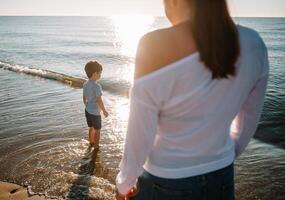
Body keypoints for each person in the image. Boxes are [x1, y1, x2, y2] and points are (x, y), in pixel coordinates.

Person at [115, 0, 269, 199]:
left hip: (165, 181)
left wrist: (124, 183)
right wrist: (224, 155)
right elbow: (248, 118)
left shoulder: (155, 44)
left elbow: (140, 131)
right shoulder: (254, 43)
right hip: (221, 175)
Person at [83, 61, 109, 149]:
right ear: (95, 73)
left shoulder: (85, 84)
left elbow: (84, 97)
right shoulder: (97, 86)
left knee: (91, 128)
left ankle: (91, 142)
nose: (100, 75)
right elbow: (99, 100)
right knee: (97, 130)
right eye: (100, 73)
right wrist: (104, 110)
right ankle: (96, 146)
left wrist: (86, 105)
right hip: (95, 113)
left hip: (87, 111)